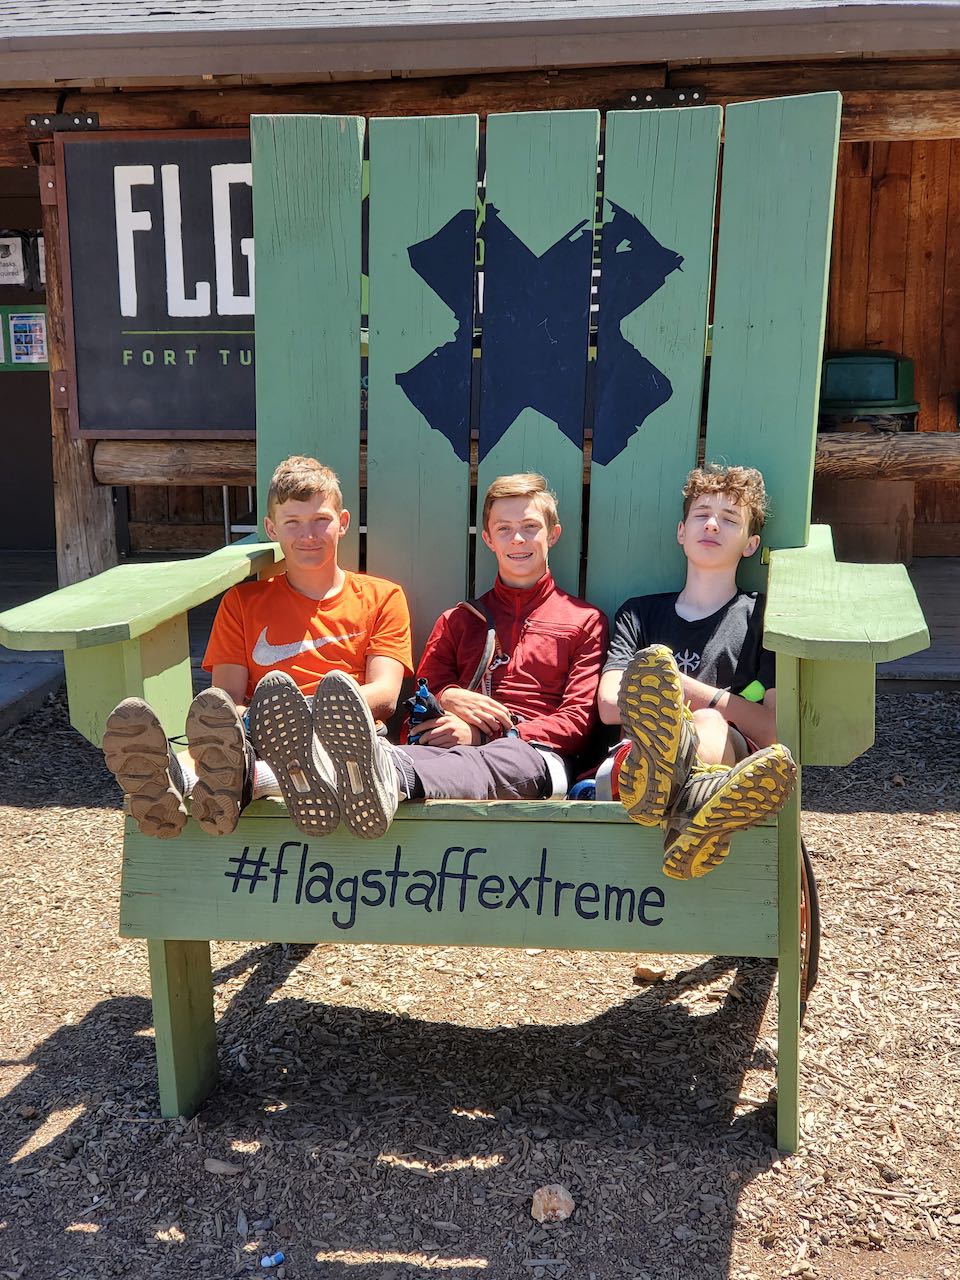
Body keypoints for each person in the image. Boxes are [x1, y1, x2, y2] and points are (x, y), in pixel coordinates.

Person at [241, 471, 609, 839]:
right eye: (504, 529)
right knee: (401, 757)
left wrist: (488, 733)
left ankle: (371, 776)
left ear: (553, 534)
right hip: (444, 759)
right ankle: (256, 778)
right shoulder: (459, 621)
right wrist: (445, 698)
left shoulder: (583, 621)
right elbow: (419, 702)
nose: (517, 539)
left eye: (530, 527)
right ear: (488, 539)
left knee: (485, 759)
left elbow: (576, 724)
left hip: (539, 759)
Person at [102, 455, 413, 838]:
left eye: (321, 520)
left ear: (343, 523)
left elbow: (385, 694)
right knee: (228, 744)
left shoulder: (382, 597)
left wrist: (305, 714)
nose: (309, 535)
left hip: (350, 742)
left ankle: (183, 780)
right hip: (262, 734)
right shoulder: (243, 602)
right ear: (271, 529)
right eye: (293, 523)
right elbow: (225, 699)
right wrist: (270, 722)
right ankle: (164, 783)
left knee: (295, 752)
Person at [595, 464, 797, 881]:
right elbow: (609, 705)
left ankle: (668, 794)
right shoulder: (640, 613)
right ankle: (691, 816)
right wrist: (725, 701)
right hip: (634, 763)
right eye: (701, 513)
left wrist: (676, 688)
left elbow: (772, 729)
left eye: (729, 519)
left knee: (707, 721)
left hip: (729, 754)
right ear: (681, 532)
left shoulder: (762, 618)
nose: (712, 524)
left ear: (750, 543)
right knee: (703, 720)